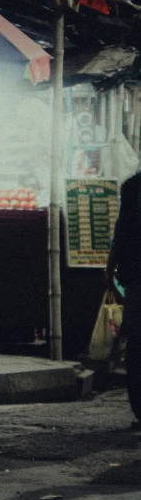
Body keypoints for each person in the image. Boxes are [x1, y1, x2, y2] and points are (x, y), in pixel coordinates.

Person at [105, 171, 141, 429]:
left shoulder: (133, 186)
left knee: (137, 345)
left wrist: (110, 267)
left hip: (137, 278)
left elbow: (122, 229)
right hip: (137, 278)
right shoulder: (133, 187)